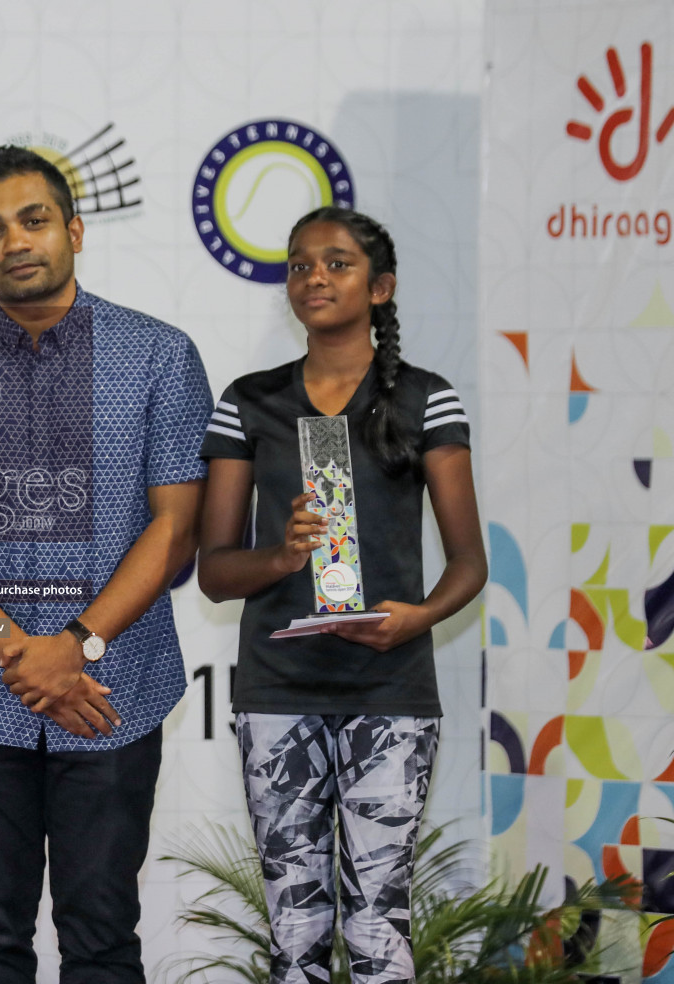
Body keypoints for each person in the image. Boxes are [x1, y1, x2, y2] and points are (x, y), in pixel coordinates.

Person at [0, 145, 211, 983]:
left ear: (73, 229)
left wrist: (78, 644)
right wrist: (20, 655)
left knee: (102, 942)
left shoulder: (159, 356)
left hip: (114, 694)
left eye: (33, 220)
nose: (15, 242)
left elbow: (174, 530)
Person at [197, 207, 488, 984]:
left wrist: (417, 619)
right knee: (295, 929)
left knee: (378, 922)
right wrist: (279, 555)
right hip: (278, 692)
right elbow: (214, 571)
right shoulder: (248, 401)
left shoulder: (429, 399)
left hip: (389, 692)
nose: (314, 277)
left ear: (381, 287)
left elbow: (468, 562)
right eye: (298, 265)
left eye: (336, 263)